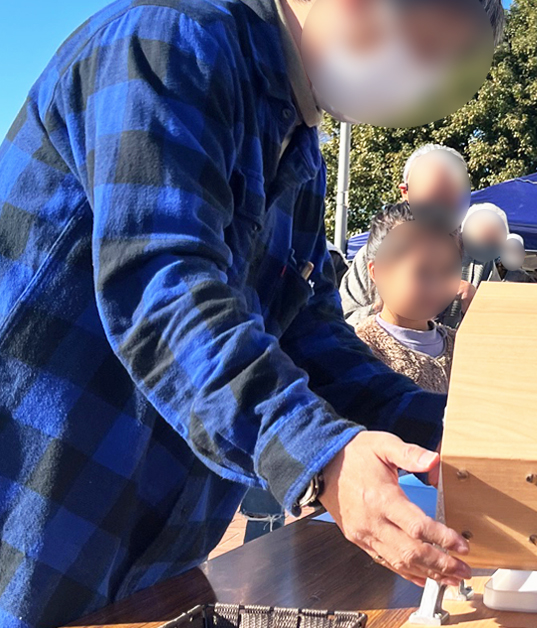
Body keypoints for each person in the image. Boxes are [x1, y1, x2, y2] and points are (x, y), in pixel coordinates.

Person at [0, 0, 505, 625]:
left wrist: (460, 437)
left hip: (152, 541)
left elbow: (307, 335)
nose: (420, 85)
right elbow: (161, 282)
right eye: (424, 54)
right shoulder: (172, 41)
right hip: (35, 503)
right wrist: (324, 456)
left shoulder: (301, 150)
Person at [341, 144, 476, 327]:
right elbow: (344, 321)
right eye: (432, 194)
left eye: (452, 193)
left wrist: (479, 307)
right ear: (405, 192)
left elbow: (502, 329)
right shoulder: (374, 253)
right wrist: (385, 307)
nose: (440, 206)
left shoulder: (479, 257)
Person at [353, 202, 462, 393]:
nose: (435, 287)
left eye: (446, 271)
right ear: (378, 272)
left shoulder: (463, 346)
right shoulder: (360, 348)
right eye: (422, 272)